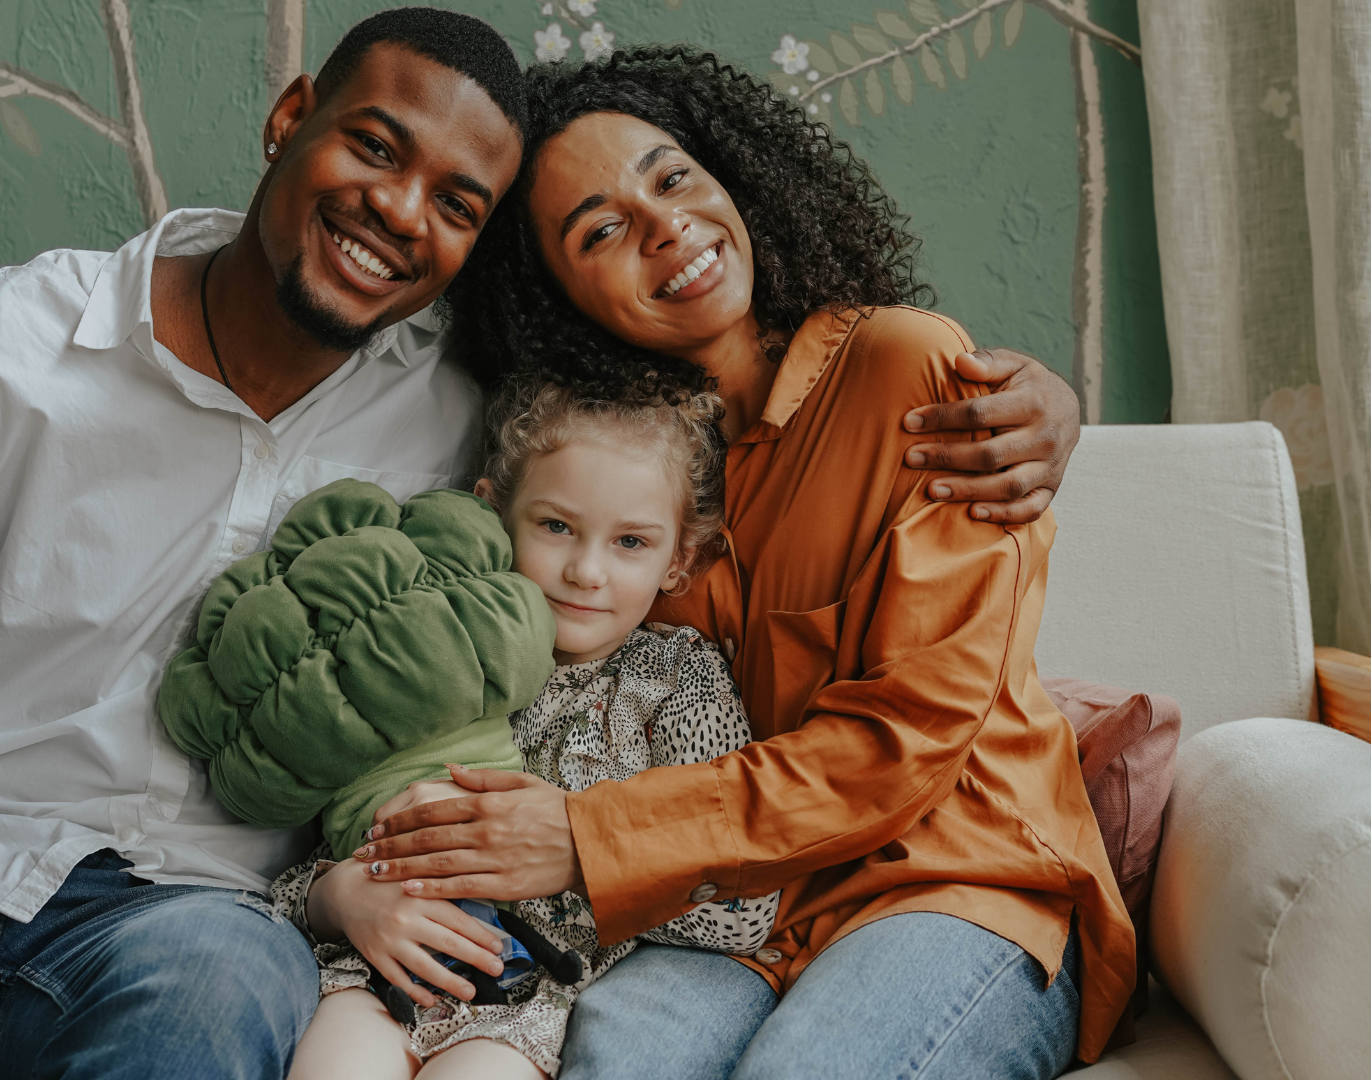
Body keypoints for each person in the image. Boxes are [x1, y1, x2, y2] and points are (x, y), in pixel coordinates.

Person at [0, 9, 1080, 1078]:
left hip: (203, 918)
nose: (398, 214)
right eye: (375, 149)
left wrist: (1043, 406)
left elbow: (864, 683)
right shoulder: (24, 338)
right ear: (290, 116)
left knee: (215, 979)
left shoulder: (532, 407)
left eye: (457, 205)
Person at [354, 46, 1135, 1080]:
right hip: (723, 927)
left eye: (672, 176)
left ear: (733, 176)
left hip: (956, 885)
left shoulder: (908, 371)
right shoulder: (605, 487)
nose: (665, 225)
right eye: (601, 230)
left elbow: (905, 739)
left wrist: (590, 837)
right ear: (555, 297)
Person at [279, 376, 779, 1079]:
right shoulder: (432, 651)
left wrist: (580, 857)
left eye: (631, 541)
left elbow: (740, 911)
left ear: (681, 560)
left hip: (530, 999)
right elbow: (312, 853)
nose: (585, 570)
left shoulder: (677, 678)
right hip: (374, 967)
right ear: (494, 514)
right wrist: (336, 897)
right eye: (555, 526)